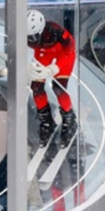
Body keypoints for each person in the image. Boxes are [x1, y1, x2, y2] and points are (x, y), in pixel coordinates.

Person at [27, 9, 78, 148]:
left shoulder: (56, 31)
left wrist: (54, 68)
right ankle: (46, 121)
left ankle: (69, 119)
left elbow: (70, 51)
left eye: (33, 37)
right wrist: (28, 67)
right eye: (28, 37)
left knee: (58, 88)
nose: (31, 40)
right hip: (42, 53)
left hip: (62, 53)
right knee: (36, 88)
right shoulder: (26, 36)